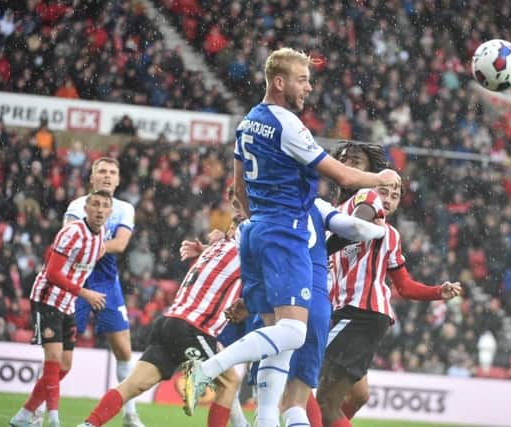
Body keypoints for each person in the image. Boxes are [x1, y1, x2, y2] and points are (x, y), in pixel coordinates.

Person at [187, 47, 400, 426]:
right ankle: (208, 368)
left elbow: (239, 190)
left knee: (279, 348)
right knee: (293, 332)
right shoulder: (286, 124)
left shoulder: (248, 121)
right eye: (303, 80)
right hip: (286, 233)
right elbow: (346, 178)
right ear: (280, 82)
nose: (309, 88)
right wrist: (382, 179)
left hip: (255, 231)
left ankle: (264, 420)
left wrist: (261, 223)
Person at [316, 142, 462, 427]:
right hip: (361, 315)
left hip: (357, 313)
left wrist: (313, 252)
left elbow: (359, 225)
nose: (390, 198)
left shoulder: (366, 201)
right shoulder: (369, 221)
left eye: (395, 195)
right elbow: (405, 287)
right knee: (357, 395)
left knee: (318, 395)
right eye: (387, 191)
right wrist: (437, 292)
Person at [215, 197, 387, 427]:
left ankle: (210, 368)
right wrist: (378, 230)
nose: (237, 210)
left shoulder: (255, 223)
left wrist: (248, 302)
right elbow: (352, 229)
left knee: (269, 402)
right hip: (318, 308)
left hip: (282, 306)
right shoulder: (316, 205)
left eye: (239, 202)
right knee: (295, 403)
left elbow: (257, 276)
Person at [77, 213, 246, 427]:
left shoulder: (215, 249)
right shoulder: (242, 254)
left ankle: (89, 424)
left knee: (133, 385)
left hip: (168, 323)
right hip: (193, 329)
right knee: (229, 381)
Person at [10, 191, 111, 427]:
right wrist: (85, 293)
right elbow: (53, 273)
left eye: (104, 206)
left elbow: (86, 263)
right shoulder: (72, 232)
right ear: (86, 209)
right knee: (53, 358)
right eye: (95, 204)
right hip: (46, 298)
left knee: (65, 366)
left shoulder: (102, 236)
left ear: (109, 212)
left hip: (67, 303)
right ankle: (53, 420)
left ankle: (24, 415)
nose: (99, 209)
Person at [64, 157, 143, 427]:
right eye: (102, 172)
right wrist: (91, 247)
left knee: (123, 351)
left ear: (118, 180)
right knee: (61, 357)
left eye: (112, 172)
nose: (107, 177)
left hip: (108, 286)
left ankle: (130, 414)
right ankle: (37, 409)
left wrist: (91, 246)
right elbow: (67, 239)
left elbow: (120, 244)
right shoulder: (77, 206)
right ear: (92, 178)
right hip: (78, 283)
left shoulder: (124, 208)